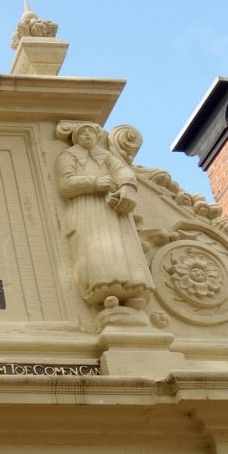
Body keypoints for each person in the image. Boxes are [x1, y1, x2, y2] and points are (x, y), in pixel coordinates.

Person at [55, 122, 153, 315]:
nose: (87, 136)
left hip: (111, 207)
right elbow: (65, 184)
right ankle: (104, 291)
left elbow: (123, 171)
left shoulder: (106, 156)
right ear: (76, 138)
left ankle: (131, 291)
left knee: (122, 246)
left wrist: (127, 187)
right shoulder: (68, 156)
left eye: (90, 132)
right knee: (96, 249)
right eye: (82, 133)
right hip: (86, 207)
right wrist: (95, 182)